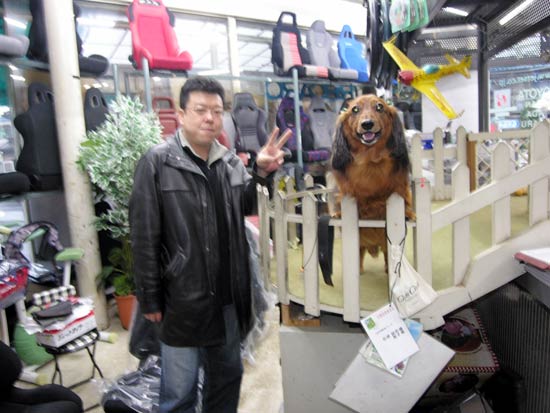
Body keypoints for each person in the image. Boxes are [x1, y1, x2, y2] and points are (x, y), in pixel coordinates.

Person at [129, 76, 290, 413]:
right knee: (179, 392)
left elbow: (247, 204)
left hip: (229, 298)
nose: (210, 118)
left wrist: (262, 173)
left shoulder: (229, 161)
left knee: (227, 378)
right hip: (181, 299)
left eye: (217, 111)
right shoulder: (157, 162)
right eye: (200, 110)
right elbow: (144, 236)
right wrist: (149, 297)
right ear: (181, 114)